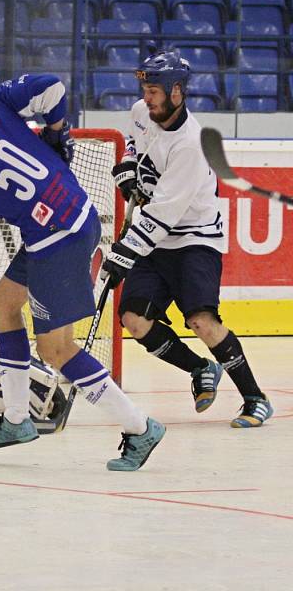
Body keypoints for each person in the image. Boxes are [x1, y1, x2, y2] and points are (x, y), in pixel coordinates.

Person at [0, 78, 165, 471]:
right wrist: (54, 133)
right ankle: (17, 420)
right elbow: (53, 87)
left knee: (55, 350)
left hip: (57, 238)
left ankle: (139, 428)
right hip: (65, 219)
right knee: (2, 306)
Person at [103, 49, 272, 428]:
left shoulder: (192, 144)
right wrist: (128, 170)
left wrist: (124, 253)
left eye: (154, 92)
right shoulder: (140, 112)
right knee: (133, 319)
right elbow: (134, 144)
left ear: (176, 91)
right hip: (156, 240)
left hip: (195, 238)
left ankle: (255, 398)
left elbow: (164, 212)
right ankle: (199, 369)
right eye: (145, 90)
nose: (147, 98)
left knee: (201, 321)